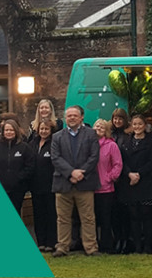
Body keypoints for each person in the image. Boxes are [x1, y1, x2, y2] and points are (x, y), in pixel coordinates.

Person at [50, 106, 100, 257]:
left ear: (81, 117)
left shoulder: (91, 134)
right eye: (69, 115)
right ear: (65, 118)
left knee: (88, 218)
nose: (71, 118)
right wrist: (71, 172)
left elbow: (94, 157)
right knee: (63, 218)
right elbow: (55, 158)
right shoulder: (57, 136)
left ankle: (91, 248)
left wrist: (80, 173)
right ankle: (62, 247)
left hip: (85, 182)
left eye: (74, 115)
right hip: (63, 183)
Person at [118, 114, 152, 254]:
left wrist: (139, 174)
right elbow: (121, 161)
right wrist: (129, 174)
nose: (137, 127)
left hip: (146, 182)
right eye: (134, 124)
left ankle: (147, 246)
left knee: (147, 215)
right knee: (134, 216)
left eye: (140, 124)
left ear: (145, 125)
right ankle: (137, 246)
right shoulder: (126, 141)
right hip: (130, 183)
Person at [0, 119, 35, 215]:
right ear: (3, 132)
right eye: (6, 130)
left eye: (11, 130)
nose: (9, 132)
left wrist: (19, 177)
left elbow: (30, 166)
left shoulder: (24, 147)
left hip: (18, 189)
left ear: (16, 131)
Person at [92, 119, 123, 253]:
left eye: (102, 127)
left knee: (106, 219)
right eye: (96, 126)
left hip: (106, 189)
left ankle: (107, 245)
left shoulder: (111, 145)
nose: (99, 128)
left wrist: (109, 178)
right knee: (92, 219)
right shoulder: (89, 145)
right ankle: (93, 245)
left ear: (106, 131)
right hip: (90, 188)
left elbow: (118, 164)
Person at [29, 120, 57, 252]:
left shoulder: (54, 144)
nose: (43, 131)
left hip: (50, 186)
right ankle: (40, 241)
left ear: (51, 130)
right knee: (38, 215)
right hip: (35, 186)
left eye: (46, 129)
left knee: (51, 214)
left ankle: (51, 242)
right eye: (41, 129)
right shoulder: (33, 143)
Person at [110, 108, 132, 254]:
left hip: (124, 179)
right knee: (113, 212)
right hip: (111, 180)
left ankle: (126, 240)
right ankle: (117, 239)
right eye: (115, 119)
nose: (117, 121)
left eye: (120, 119)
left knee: (125, 212)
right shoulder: (109, 135)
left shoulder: (128, 136)